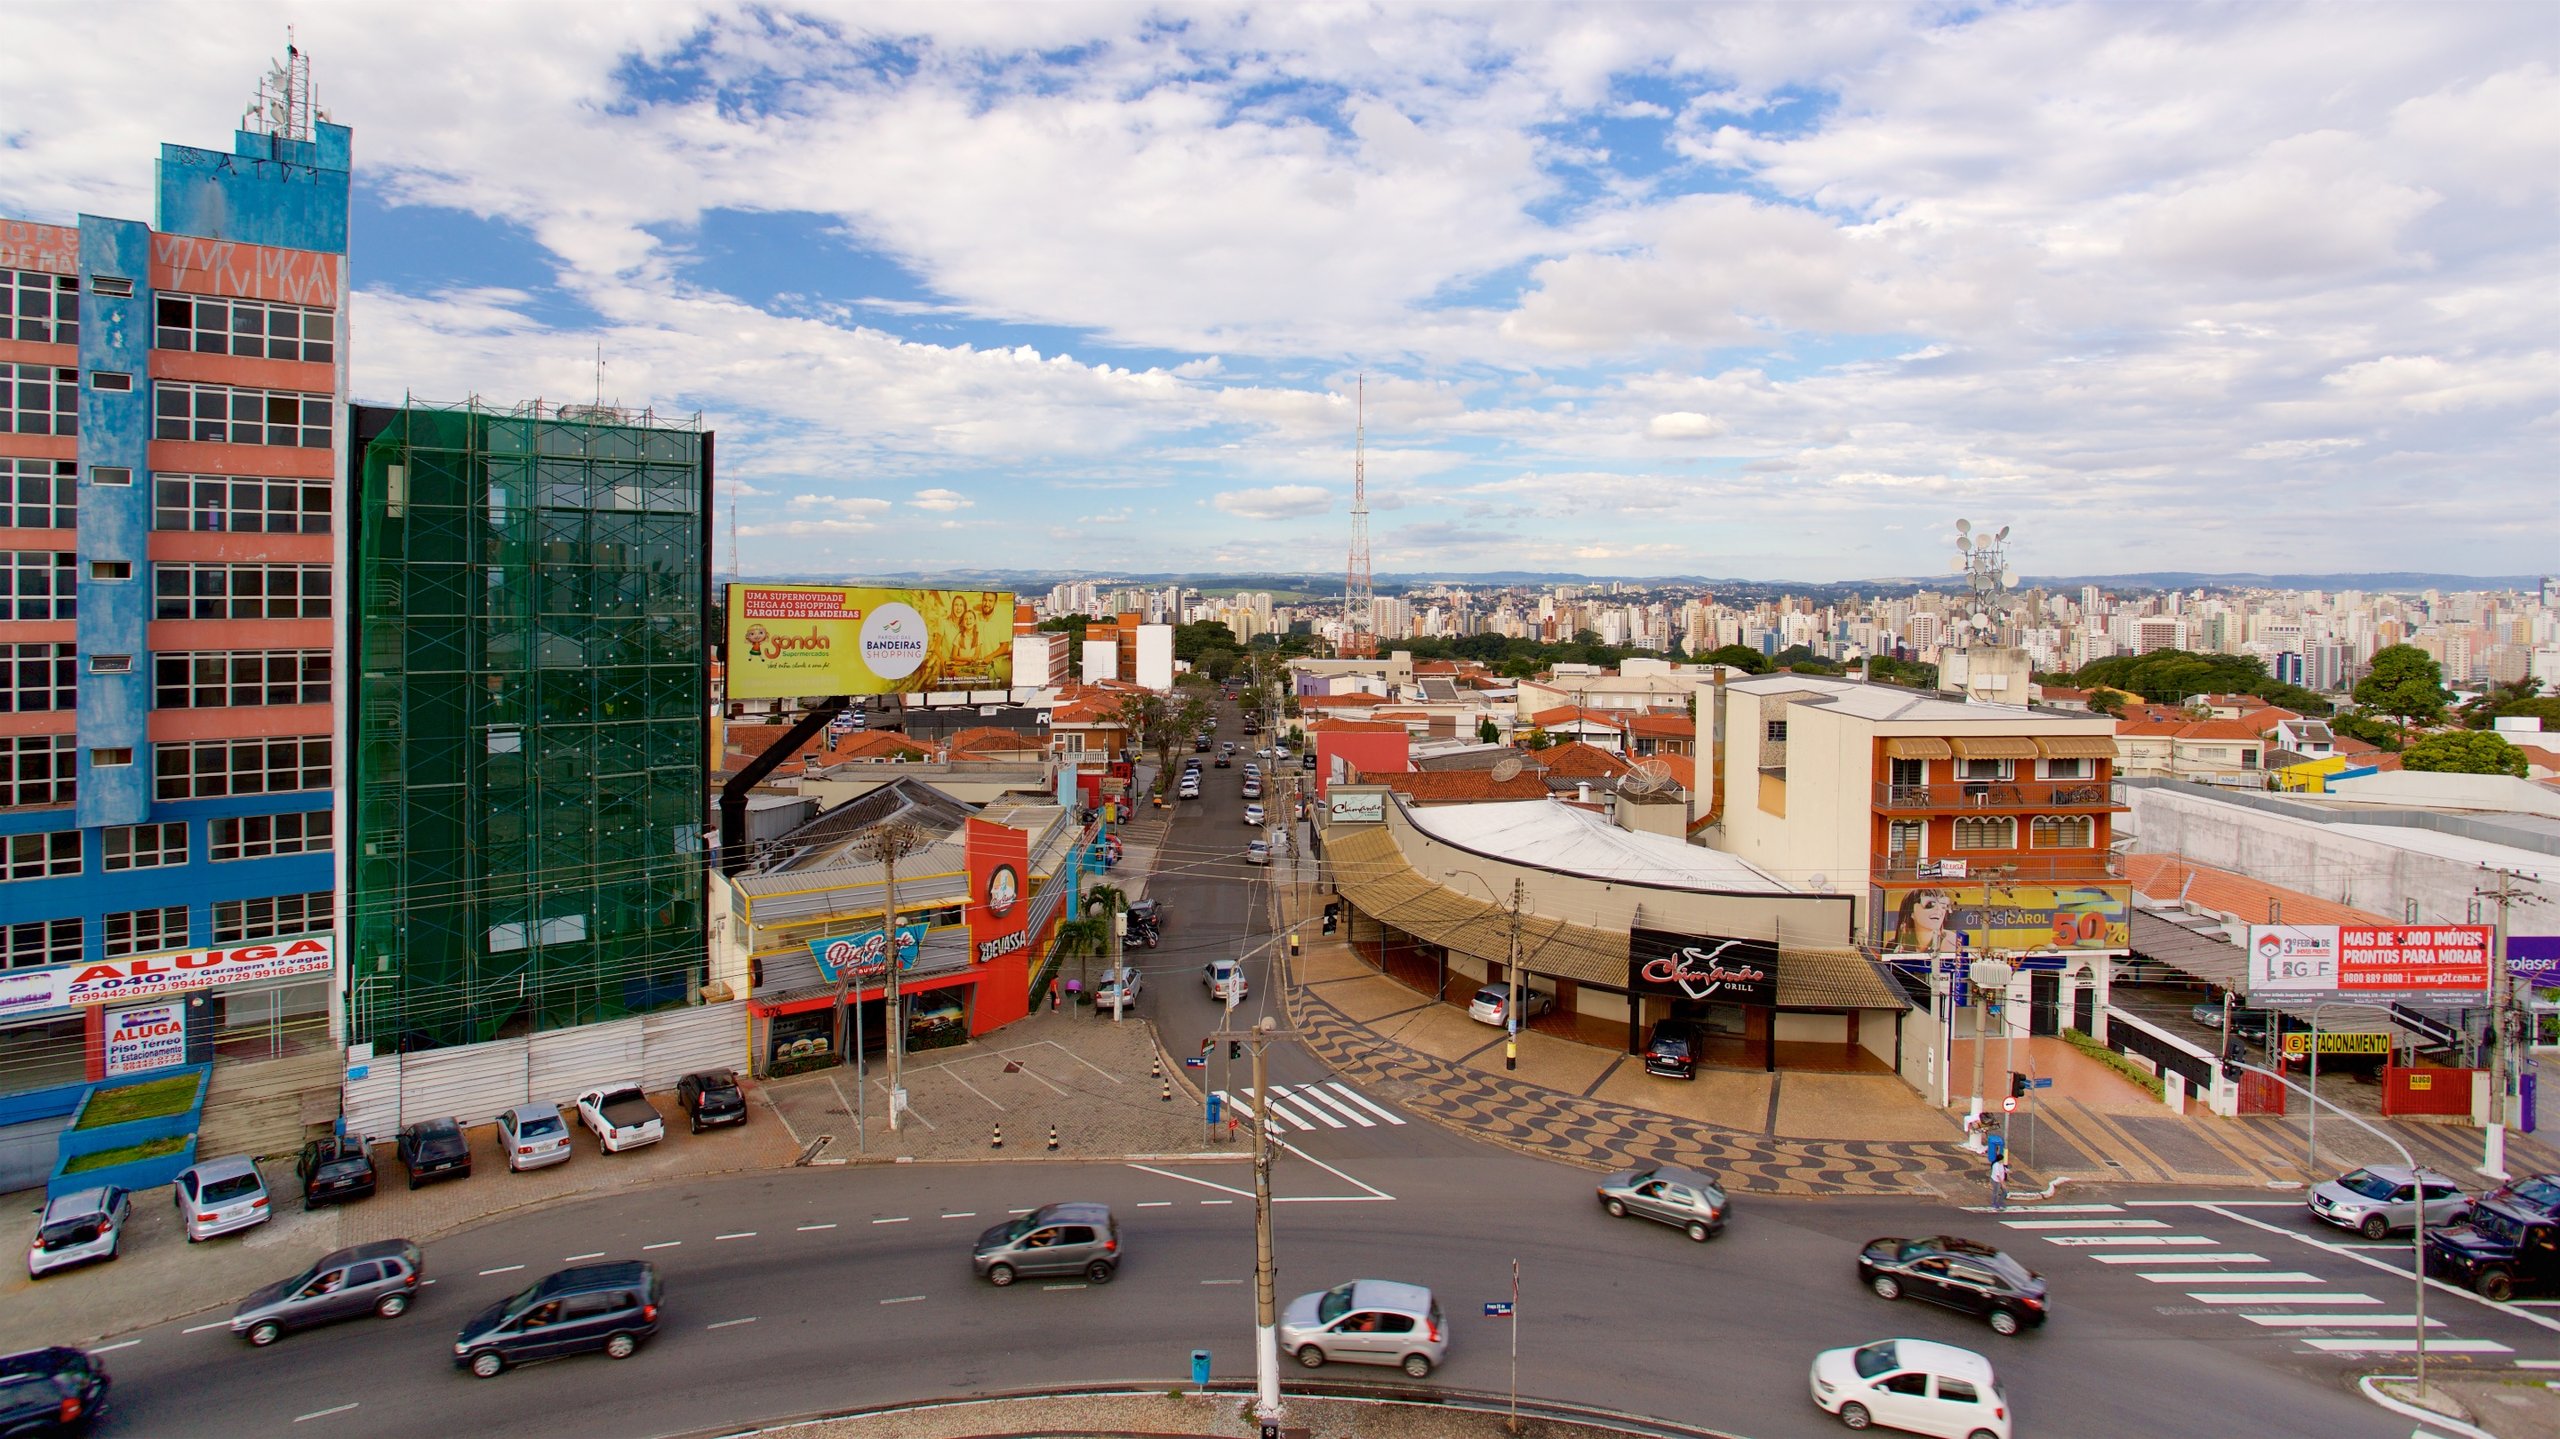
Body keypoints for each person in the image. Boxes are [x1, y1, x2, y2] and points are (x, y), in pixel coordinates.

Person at [1891, 888, 1961, 954]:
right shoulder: (1894, 944)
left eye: (1943, 905)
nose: (1938, 909)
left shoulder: (1950, 941)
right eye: (1930, 904)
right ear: (1911, 912)